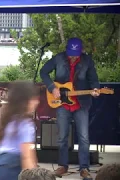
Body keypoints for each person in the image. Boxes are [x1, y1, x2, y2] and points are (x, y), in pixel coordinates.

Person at [39, 37, 100, 180]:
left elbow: (94, 79)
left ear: (81, 51)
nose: (72, 57)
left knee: (84, 138)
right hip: (62, 104)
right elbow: (43, 72)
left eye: (75, 54)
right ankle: (62, 166)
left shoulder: (87, 61)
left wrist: (96, 89)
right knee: (62, 137)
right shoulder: (59, 58)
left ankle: (84, 168)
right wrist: (52, 87)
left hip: (81, 103)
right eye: (70, 53)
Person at [0, 81, 40, 180]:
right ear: (25, 101)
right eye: (34, 99)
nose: (37, 102)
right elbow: (27, 156)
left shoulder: (10, 120)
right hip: (13, 166)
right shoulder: (26, 124)